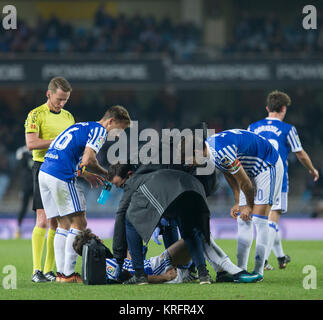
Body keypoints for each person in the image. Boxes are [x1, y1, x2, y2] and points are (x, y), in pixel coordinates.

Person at [108, 163, 263, 284]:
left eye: (120, 185)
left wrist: (119, 258)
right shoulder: (151, 169)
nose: (122, 189)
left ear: (128, 175)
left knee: (129, 220)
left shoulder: (136, 181)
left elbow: (121, 214)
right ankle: (203, 274)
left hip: (172, 193)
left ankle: (141, 275)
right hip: (194, 186)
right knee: (189, 229)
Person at [38, 105, 131, 283]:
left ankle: (61, 274)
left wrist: (84, 173)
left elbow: (73, 155)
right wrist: (107, 174)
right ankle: (69, 274)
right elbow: (89, 159)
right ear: (111, 121)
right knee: (79, 221)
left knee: (63, 223)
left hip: (45, 172)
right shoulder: (100, 131)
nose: (119, 134)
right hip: (60, 175)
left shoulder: (82, 126)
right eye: (121, 129)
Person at [248, 90, 319, 270]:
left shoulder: (253, 127)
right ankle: (262, 259)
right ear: (284, 108)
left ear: (267, 108)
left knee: (264, 219)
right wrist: (312, 169)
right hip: (277, 177)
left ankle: (280, 257)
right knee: (273, 218)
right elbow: (300, 154)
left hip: (255, 176)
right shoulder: (288, 129)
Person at [204, 128, 284, 281]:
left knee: (259, 220)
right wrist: (237, 201)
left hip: (267, 165)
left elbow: (245, 183)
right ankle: (241, 271)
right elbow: (229, 174)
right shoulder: (210, 151)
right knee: (242, 220)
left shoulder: (221, 152)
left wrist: (248, 205)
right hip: (248, 170)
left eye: (189, 158)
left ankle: (259, 271)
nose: (188, 162)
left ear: (198, 151)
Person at [73, 228, 262, 284]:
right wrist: (163, 277)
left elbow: (125, 270)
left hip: (154, 263)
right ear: (93, 242)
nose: (100, 240)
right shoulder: (104, 264)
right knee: (196, 234)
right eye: (95, 238)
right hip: (157, 266)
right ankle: (225, 272)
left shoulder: (98, 265)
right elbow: (127, 277)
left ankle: (213, 272)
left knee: (196, 236)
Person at [25, 77, 75, 282]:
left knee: (57, 222)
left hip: (62, 170)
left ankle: (48, 270)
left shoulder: (69, 117)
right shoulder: (35, 115)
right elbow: (31, 143)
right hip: (42, 168)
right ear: (49, 94)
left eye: (65, 100)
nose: (62, 103)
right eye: (59, 99)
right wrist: (54, 142)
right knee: (43, 219)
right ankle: (36, 270)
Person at [15, 145, 34, 239]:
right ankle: (18, 228)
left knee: (37, 209)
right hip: (26, 184)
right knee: (23, 207)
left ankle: (37, 229)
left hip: (35, 184)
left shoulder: (38, 151)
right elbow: (20, 168)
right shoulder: (22, 152)